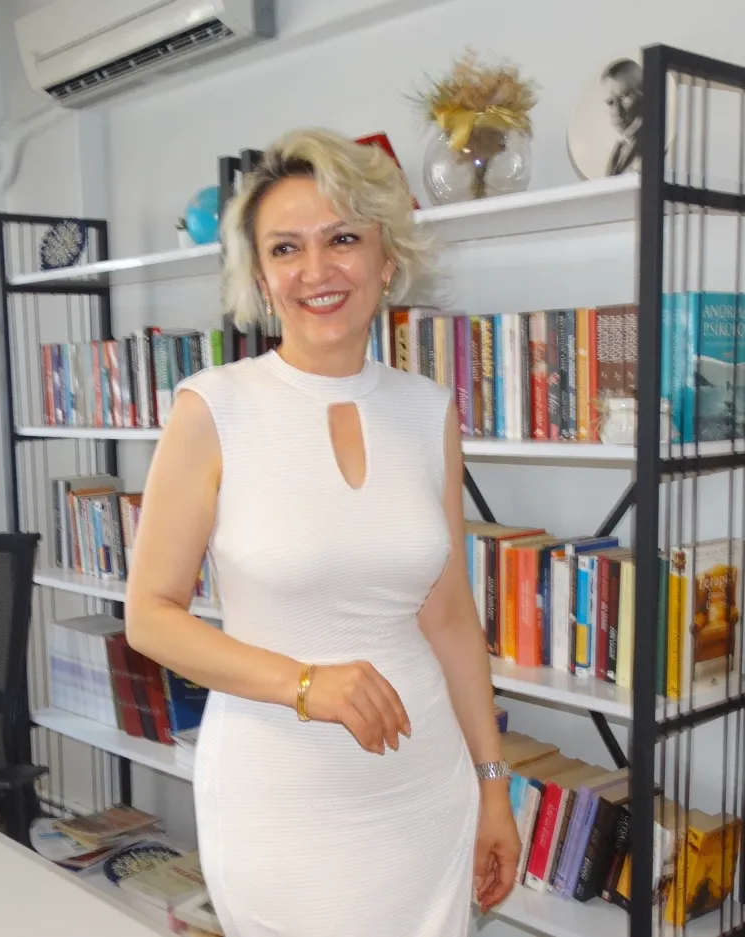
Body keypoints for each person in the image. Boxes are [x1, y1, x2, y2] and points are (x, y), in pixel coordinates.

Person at [124, 127, 520, 937]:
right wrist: (308, 683)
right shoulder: (212, 408)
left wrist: (491, 784)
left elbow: (449, 615)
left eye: (341, 238)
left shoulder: (428, 411)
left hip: (426, 791)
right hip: (280, 799)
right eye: (286, 248)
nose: (316, 270)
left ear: (386, 257)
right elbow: (150, 616)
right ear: (261, 278)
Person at [602, 58, 643, 175]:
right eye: (610, 102)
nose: (617, 110)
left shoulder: (659, 146)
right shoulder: (620, 150)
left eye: (625, 95)